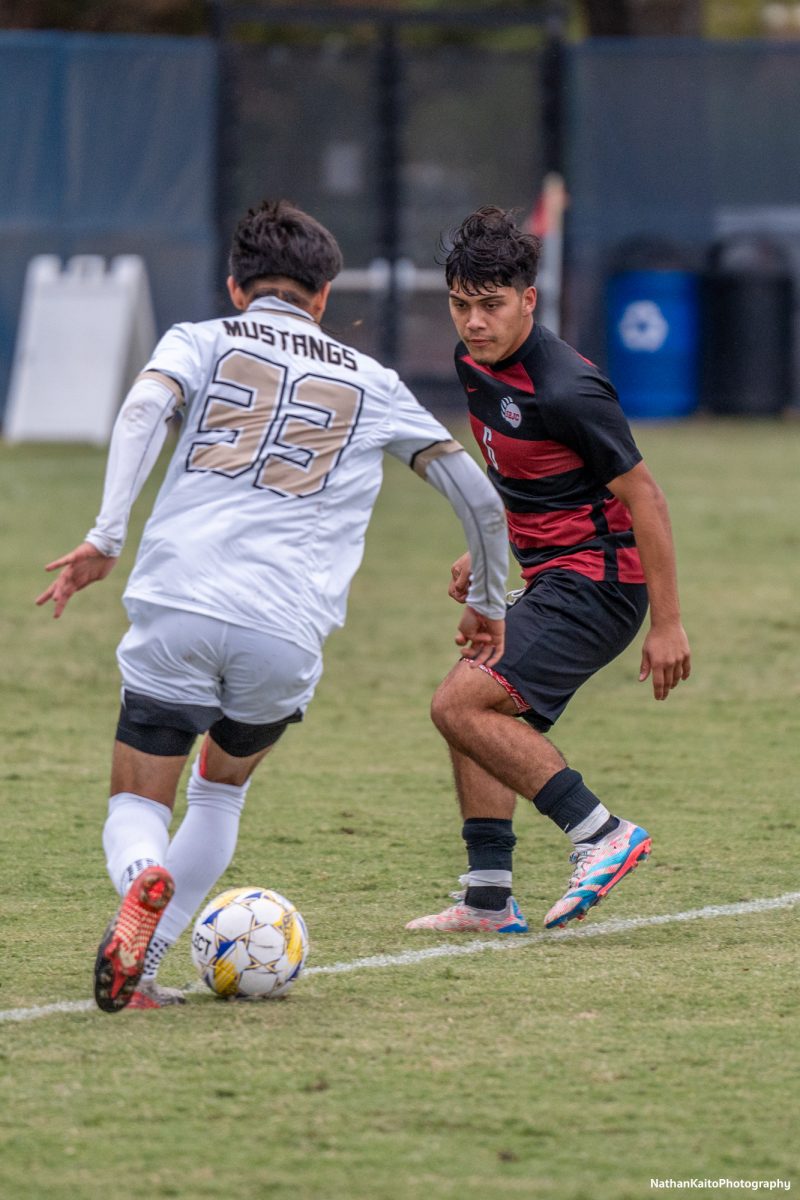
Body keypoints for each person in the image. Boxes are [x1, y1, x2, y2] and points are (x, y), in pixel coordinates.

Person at [37, 199, 510, 1012]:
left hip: (179, 601)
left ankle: (140, 883)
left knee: (135, 802)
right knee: (220, 791)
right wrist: (492, 602)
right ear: (325, 297)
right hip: (284, 631)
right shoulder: (375, 381)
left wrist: (105, 535)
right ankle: (142, 972)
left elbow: (145, 408)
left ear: (235, 285)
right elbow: (481, 500)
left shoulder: (199, 338)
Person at [406, 206, 691, 935]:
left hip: (600, 585)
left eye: (491, 306)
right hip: (550, 574)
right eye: (461, 305)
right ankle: (487, 899)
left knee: (458, 704)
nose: (474, 322)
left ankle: (601, 834)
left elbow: (647, 499)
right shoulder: (476, 365)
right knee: (480, 714)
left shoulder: (569, 387)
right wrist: (487, 551)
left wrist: (669, 625)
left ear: (528, 301)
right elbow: (521, 469)